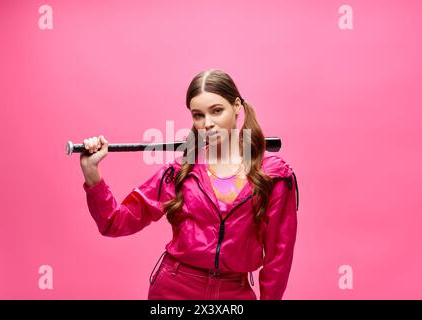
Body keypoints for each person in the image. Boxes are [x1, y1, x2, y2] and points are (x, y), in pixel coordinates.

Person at [80, 69, 299, 300]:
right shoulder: (179, 173)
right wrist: (92, 173)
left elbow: (279, 256)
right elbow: (115, 223)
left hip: (234, 294)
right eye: (198, 115)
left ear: (236, 106)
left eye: (217, 111)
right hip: (174, 291)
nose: (208, 123)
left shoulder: (273, 175)